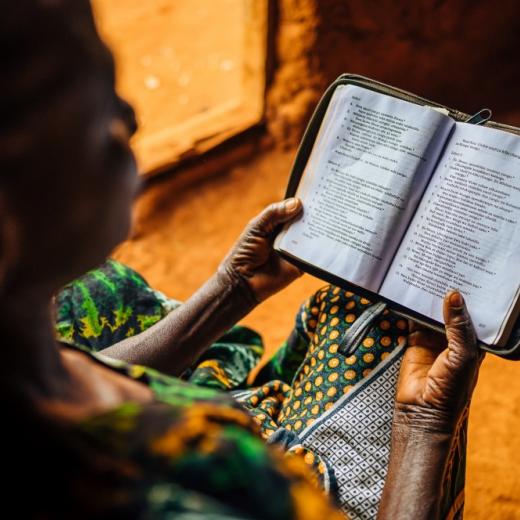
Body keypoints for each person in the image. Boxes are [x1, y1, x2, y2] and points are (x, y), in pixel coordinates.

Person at [0, 1, 483, 518]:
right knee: (397, 321)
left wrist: (230, 291)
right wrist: (424, 428)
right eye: (95, 111)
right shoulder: (193, 500)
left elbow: (61, 369)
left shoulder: (29, 337)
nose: (131, 119)